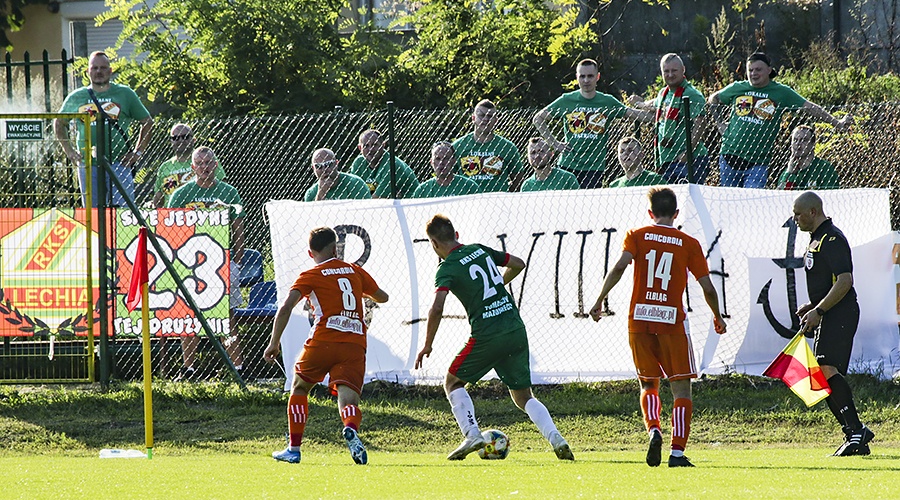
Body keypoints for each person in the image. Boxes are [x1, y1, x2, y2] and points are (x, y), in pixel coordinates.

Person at [416, 214, 574, 461]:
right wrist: (499, 284)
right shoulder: (479, 250)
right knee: (524, 397)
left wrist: (427, 344)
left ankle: (472, 434)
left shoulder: (446, 268)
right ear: (456, 235)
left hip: (488, 335)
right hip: (514, 328)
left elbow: (437, 307)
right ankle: (556, 438)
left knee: (452, 381)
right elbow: (519, 263)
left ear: (434, 244)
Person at [589, 187, 727, 468]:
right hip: (671, 322)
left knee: (648, 383)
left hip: (639, 319)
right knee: (682, 389)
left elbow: (618, 267)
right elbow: (708, 287)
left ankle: (654, 430)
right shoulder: (688, 243)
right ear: (676, 214)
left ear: (650, 213)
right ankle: (677, 453)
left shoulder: (636, 236)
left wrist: (599, 300)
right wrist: (718, 315)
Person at [265, 226, 389, 464]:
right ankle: (350, 427)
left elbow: (286, 307)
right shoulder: (354, 271)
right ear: (336, 248)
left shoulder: (310, 275)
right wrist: (362, 293)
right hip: (354, 341)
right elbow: (383, 297)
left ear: (311, 253)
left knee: (300, 388)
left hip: (324, 339)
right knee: (349, 398)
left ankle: (294, 449)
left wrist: (274, 342)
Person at [792, 191, 873, 456]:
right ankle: (855, 431)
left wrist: (819, 309)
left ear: (813, 212)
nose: (795, 219)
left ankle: (855, 431)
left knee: (826, 370)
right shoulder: (816, 239)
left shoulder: (833, 238)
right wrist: (812, 304)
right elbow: (826, 281)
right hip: (830, 312)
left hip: (840, 313)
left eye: (798, 214)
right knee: (823, 372)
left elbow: (844, 280)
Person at [708, 52, 851, 188]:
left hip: (757, 163)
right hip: (728, 157)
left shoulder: (781, 92)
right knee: (730, 204)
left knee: (751, 204)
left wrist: (837, 123)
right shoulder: (738, 88)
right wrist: (719, 122)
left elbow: (810, 107)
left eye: (758, 69)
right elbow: (713, 98)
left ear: (769, 70)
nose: (753, 74)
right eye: (750, 70)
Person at [168, 146, 245, 378]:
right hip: (189, 264)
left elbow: (238, 228)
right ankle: (189, 368)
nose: (204, 167)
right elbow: (169, 230)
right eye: (199, 164)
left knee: (226, 315)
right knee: (189, 314)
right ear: (192, 168)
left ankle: (238, 368)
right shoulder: (179, 195)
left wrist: (237, 259)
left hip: (222, 261)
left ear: (216, 165)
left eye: (208, 162)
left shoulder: (230, 193)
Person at [54, 50, 154, 207]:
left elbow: (147, 122)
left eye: (102, 67)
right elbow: (59, 123)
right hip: (88, 163)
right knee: (93, 213)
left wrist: (137, 152)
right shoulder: (77, 97)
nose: (98, 72)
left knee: (122, 211)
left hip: (120, 163)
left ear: (110, 70)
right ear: (88, 72)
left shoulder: (125, 94)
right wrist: (70, 151)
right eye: (94, 68)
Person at [533, 58, 651, 189]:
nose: (586, 80)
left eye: (590, 76)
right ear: (577, 77)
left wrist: (649, 106)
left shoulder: (607, 102)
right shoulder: (567, 100)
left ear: (597, 77)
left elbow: (638, 115)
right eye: (582, 76)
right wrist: (554, 143)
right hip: (568, 165)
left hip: (594, 168)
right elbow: (538, 119)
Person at [627, 54, 710, 184]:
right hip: (666, 160)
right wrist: (638, 104)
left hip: (688, 160)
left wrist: (688, 153)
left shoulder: (691, 94)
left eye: (674, 71)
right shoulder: (663, 94)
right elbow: (653, 106)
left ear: (683, 69)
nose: (670, 75)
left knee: (686, 201)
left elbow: (700, 123)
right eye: (666, 71)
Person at [453, 99, 525, 192]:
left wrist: (505, 195)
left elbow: (518, 180)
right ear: (473, 118)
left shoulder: (507, 147)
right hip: (467, 201)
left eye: (490, 116)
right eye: (481, 115)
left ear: (496, 120)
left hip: (498, 202)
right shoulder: (458, 146)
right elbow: (448, 178)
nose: (486, 119)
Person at [153, 123, 227, 207]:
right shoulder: (164, 167)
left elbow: (223, 189)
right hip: (174, 215)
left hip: (205, 213)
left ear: (193, 139)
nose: (180, 140)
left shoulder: (208, 160)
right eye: (175, 138)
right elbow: (158, 200)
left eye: (185, 137)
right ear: (171, 141)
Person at [349, 129, 419, 198]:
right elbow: (352, 192)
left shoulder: (392, 164)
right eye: (366, 146)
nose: (370, 149)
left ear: (383, 145)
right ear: (359, 148)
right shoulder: (358, 163)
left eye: (374, 145)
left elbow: (378, 199)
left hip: (411, 204)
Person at [777, 125, 841, 190]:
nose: (798, 144)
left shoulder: (825, 169)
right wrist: (789, 173)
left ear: (813, 144)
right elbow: (781, 196)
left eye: (803, 140)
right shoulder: (787, 171)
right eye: (795, 140)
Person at [412, 141, 481, 198]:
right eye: (437, 159)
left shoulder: (469, 186)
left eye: (446, 158)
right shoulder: (422, 190)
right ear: (431, 162)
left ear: (454, 161)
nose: (441, 163)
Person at [304, 148, 372, 201]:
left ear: (336, 163)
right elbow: (314, 217)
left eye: (328, 164)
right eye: (318, 166)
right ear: (313, 168)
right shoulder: (311, 194)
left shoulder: (356, 184)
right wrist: (321, 193)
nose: (324, 170)